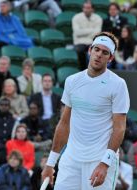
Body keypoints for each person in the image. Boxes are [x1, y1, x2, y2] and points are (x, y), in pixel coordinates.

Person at [42, 32, 130, 189]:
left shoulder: (118, 84)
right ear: (90, 50)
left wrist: (105, 163)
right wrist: (50, 163)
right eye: (97, 50)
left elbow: (120, 128)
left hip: (100, 160)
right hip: (71, 159)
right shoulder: (72, 81)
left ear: (110, 58)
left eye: (105, 52)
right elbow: (64, 124)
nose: (99, 55)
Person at [72, 1, 102, 70]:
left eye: (88, 8)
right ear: (82, 9)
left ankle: (93, 71)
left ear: (92, 9)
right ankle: (82, 71)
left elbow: (97, 32)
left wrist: (83, 31)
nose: (86, 9)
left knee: (97, 52)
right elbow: (77, 32)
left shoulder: (98, 18)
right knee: (80, 50)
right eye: (85, 8)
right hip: (79, 43)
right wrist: (91, 30)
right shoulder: (76, 17)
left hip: (92, 42)